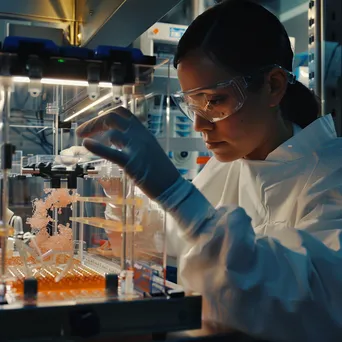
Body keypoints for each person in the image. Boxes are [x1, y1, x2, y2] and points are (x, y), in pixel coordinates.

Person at [76, 1, 342, 341]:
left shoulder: (331, 173)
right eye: (193, 104)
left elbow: (309, 305)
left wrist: (176, 192)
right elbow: (172, 239)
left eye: (215, 101)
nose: (201, 125)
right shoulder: (226, 167)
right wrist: (121, 204)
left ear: (273, 86)